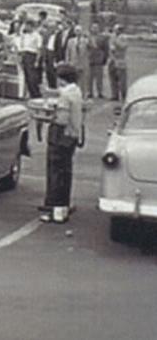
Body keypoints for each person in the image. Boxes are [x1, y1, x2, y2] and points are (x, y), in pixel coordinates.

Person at [41, 64, 84, 224]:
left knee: (54, 172)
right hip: (72, 136)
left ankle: (52, 209)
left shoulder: (65, 96)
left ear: (62, 78)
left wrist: (50, 116)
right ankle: (63, 208)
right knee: (65, 172)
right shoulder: (76, 91)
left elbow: (62, 119)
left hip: (60, 136)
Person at [16, 20, 43, 99]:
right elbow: (22, 46)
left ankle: (36, 93)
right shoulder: (25, 36)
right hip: (24, 54)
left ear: (31, 26)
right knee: (27, 76)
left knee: (32, 76)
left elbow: (39, 49)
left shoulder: (37, 36)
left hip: (32, 55)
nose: (26, 28)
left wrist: (37, 61)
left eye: (27, 26)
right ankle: (31, 93)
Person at [64, 25, 90, 94]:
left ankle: (83, 95)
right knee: (73, 81)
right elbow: (67, 52)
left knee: (83, 81)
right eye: (76, 30)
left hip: (83, 63)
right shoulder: (70, 41)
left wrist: (88, 36)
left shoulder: (85, 40)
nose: (78, 32)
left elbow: (92, 47)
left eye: (79, 30)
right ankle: (74, 94)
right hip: (73, 63)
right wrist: (67, 61)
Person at [86, 23, 109, 99]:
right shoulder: (88, 37)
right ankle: (90, 92)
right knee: (89, 77)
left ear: (98, 29)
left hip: (99, 59)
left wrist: (105, 59)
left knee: (99, 77)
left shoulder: (102, 38)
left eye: (96, 28)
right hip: (90, 59)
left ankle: (100, 92)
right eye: (93, 27)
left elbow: (106, 49)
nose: (94, 29)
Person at [108, 24, 129, 102]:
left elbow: (123, 46)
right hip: (112, 60)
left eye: (117, 29)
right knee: (112, 78)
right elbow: (110, 47)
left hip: (121, 61)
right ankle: (114, 94)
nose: (116, 31)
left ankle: (123, 95)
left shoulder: (123, 37)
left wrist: (115, 42)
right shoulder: (112, 37)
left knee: (122, 79)